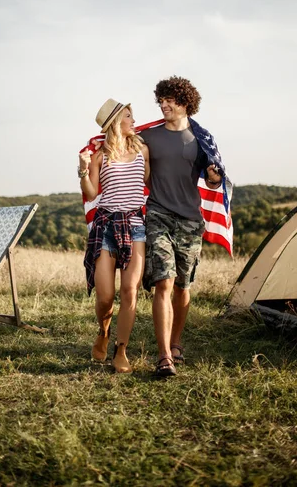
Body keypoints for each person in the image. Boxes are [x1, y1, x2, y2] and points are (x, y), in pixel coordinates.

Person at [140, 76, 227, 377]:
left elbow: (212, 179)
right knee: (163, 281)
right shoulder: (148, 137)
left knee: (182, 286)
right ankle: (164, 355)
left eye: (170, 100)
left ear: (185, 103)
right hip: (158, 213)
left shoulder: (201, 139)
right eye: (161, 100)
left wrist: (215, 175)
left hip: (190, 219)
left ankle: (176, 342)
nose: (164, 105)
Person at [79, 99, 150, 374]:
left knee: (129, 290)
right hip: (106, 225)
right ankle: (103, 331)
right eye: (129, 117)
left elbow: (149, 181)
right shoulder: (100, 156)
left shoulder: (142, 149)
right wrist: (83, 170)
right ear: (115, 123)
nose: (134, 121)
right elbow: (92, 192)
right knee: (106, 295)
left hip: (135, 226)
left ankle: (121, 351)